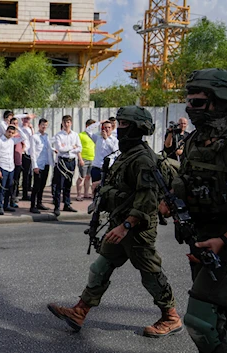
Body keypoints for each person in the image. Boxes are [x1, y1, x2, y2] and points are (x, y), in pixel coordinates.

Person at [47, 106, 183, 338]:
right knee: (101, 267)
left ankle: (171, 316)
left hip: (136, 229)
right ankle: (80, 311)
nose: (119, 129)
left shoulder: (143, 158)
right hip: (120, 225)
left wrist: (127, 225)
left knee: (150, 272)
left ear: (137, 128)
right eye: (118, 124)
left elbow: (147, 199)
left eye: (123, 124)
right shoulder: (128, 154)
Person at [161, 68, 227, 353]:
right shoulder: (195, 140)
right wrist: (171, 200)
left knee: (200, 320)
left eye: (197, 102)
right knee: (219, 318)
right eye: (188, 101)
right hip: (206, 236)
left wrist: (226, 239)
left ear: (221, 102)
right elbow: (187, 179)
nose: (189, 108)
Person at [51, 115, 81, 216]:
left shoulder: (75, 135)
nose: (67, 124)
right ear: (62, 123)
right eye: (65, 122)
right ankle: (57, 206)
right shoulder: (59, 135)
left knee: (68, 184)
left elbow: (80, 148)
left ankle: (67, 204)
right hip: (62, 161)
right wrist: (72, 147)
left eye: (68, 122)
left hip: (71, 161)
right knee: (59, 185)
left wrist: (68, 148)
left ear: (71, 123)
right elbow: (60, 149)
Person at [0, 125, 24, 214]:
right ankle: (0, 206)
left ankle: (6, 205)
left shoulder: (12, 140)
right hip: (3, 167)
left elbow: (24, 137)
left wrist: (17, 128)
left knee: (9, 187)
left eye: (12, 133)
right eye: (9, 132)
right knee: (2, 188)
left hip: (11, 167)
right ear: (6, 131)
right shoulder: (0, 140)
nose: (10, 134)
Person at [29, 118, 53, 214]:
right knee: (36, 186)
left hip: (46, 163)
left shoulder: (47, 137)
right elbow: (33, 152)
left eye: (45, 125)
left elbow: (49, 149)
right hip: (38, 164)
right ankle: (32, 205)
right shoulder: (34, 137)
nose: (44, 127)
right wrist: (34, 166)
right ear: (39, 125)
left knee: (42, 185)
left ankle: (39, 202)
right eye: (42, 125)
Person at [87, 120, 119, 189]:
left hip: (108, 168)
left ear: (111, 128)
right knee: (95, 188)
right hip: (97, 167)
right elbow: (88, 130)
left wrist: (106, 139)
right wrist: (100, 122)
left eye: (109, 127)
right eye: (105, 127)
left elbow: (115, 150)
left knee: (106, 188)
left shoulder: (114, 140)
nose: (107, 129)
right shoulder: (97, 138)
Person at [76, 119, 95, 201]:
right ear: (87, 126)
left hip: (92, 158)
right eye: (92, 126)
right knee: (81, 177)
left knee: (88, 177)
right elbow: (77, 148)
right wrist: (80, 159)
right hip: (83, 158)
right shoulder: (80, 135)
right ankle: (79, 194)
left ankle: (86, 193)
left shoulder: (93, 135)